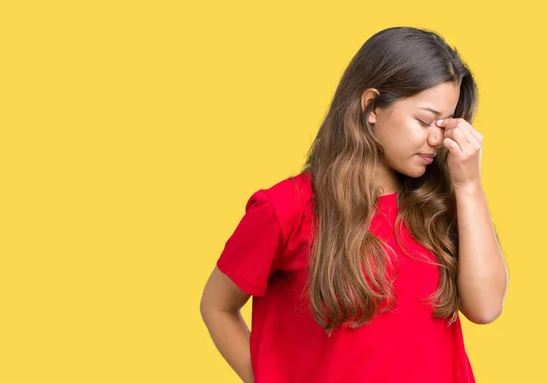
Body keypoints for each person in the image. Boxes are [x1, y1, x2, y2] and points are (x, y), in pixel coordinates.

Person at [199, 26, 509, 383]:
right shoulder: (286, 208)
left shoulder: (444, 202)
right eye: (424, 121)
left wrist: (469, 186)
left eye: (444, 124)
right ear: (371, 106)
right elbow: (216, 305)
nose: (436, 139)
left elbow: (486, 308)